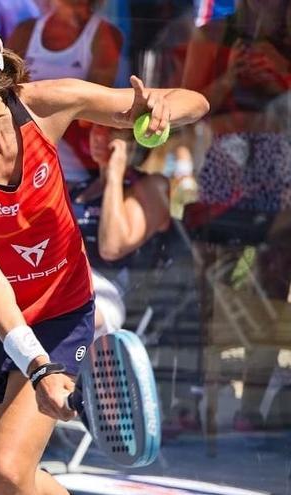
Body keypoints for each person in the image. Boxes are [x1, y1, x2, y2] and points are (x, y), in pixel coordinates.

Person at [0, 12, 208, 492]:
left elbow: (195, 102)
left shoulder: (44, 106)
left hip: (59, 310)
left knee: (11, 470)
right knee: (2, 481)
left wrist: (162, 107)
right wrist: (39, 367)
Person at [0, 125, 173, 468]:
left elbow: (113, 245)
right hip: (37, 279)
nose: (101, 138)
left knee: (5, 469)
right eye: (95, 131)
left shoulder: (151, 186)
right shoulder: (72, 183)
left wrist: (114, 175)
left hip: (95, 294)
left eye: (112, 134)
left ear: (134, 144)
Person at [181, 0, 291, 433]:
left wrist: (281, 72)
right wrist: (229, 77)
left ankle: (253, 403)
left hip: (280, 165)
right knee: (211, 282)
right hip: (226, 166)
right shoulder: (212, 35)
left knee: (274, 278)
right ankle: (200, 401)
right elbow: (183, 109)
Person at [7, 0, 123, 184]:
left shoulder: (105, 34)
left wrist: (36, 100)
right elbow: (3, 97)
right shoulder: (25, 30)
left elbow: (92, 112)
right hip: (22, 163)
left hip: (75, 171)